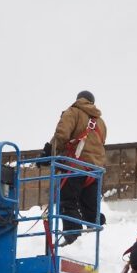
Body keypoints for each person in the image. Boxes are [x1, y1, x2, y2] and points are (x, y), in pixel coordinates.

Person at [44, 90, 107, 246]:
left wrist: (50, 153)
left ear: (79, 99)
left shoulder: (73, 112)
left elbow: (62, 135)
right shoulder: (101, 122)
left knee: (66, 200)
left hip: (75, 167)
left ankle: (72, 231)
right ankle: (93, 224)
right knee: (89, 204)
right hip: (94, 171)